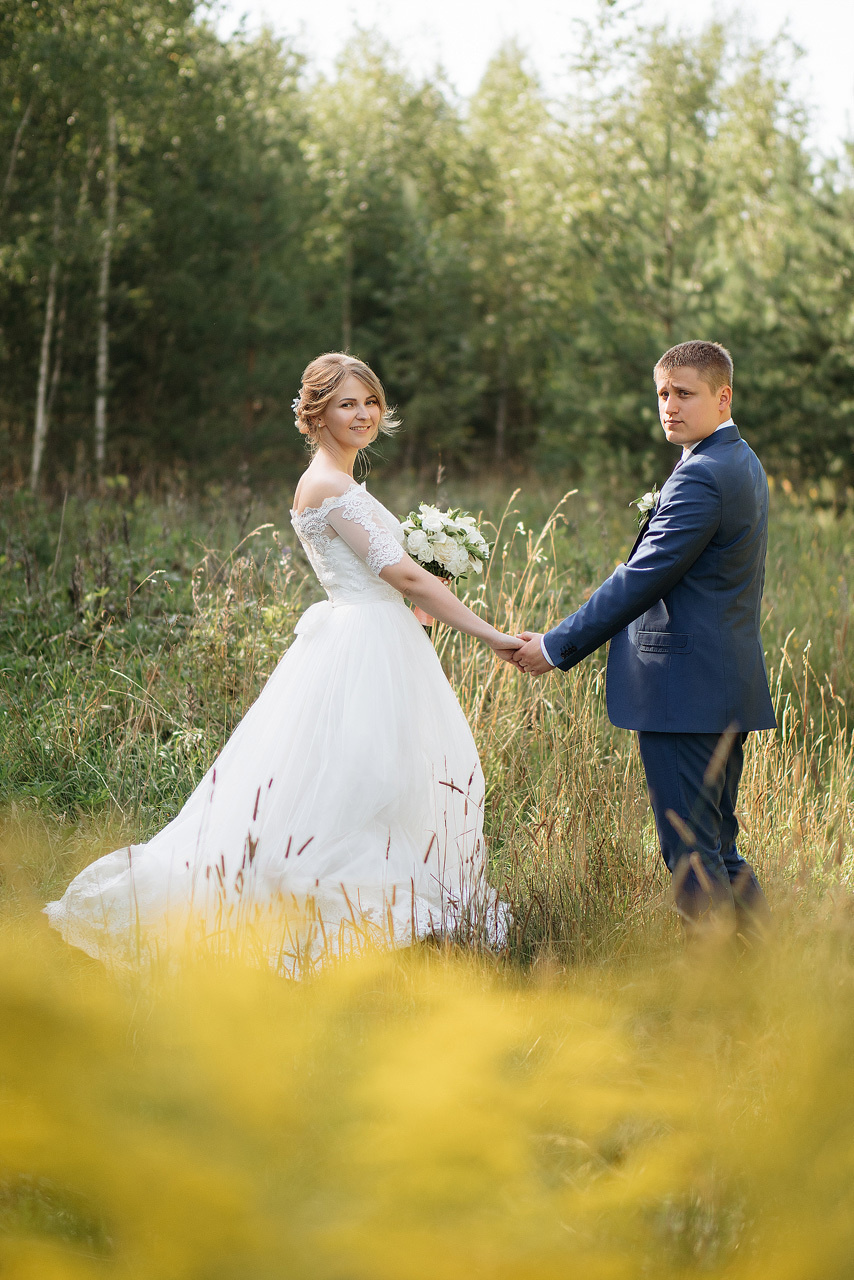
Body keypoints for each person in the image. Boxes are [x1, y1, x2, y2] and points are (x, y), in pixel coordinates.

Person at [46, 353, 521, 972]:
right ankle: (326, 905)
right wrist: (491, 635)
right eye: (347, 404)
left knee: (380, 773)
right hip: (362, 643)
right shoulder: (328, 486)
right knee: (359, 777)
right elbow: (404, 576)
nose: (364, 414)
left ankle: (380, 900)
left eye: (370, 402)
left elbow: (395, 579)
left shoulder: (341, 483)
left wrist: (422, 599)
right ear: (316, 414)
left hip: (377, 637)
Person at [513, 341, 775, 940]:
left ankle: (712, 988)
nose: (669, 406)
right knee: (717, 846)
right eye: (662, 393)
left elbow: (642, 578)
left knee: (692, 856)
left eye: (684, 393)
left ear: (723, 397)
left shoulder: (703, 474)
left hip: (686, 692)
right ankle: (768, 978)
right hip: (720, 683)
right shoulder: (739, 460)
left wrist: (554, 646)